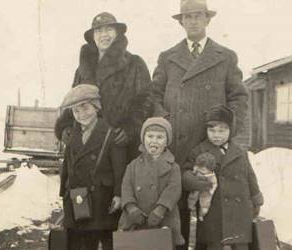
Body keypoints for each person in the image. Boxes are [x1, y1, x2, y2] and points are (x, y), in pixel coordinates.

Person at [151, 0, 248, 244]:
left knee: (211, 223)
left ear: (207, 19)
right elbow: (153, 96)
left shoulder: (225, 57)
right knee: (176, 221)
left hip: (211, 149)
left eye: (197, 16)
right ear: (181, 22)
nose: (192, 21)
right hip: (177, 148)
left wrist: (224, 131)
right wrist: (165, 123)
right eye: (187, 17)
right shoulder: (167, 57)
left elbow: (239, 98)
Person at [55, 12, 153, 163]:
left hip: (117, 143)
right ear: (93, 36)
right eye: (99, 31)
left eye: (109, 30)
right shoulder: (82, 69)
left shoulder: (135, 64)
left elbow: (145, 101)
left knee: (116, 184)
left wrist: (131, 128)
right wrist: (65, 127)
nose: (104, 35)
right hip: (85, 142)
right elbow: (74, 101)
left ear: (117, 33)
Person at [184, 105, 264, 250]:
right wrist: (194, 181)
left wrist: (256, 197)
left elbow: (250, 176)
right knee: (215, 243)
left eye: (222, 130)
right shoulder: (199, 151)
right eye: (212, 130)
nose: (216, 135)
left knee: (240, 244)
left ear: (231, 130)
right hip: (214, 212)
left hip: (240, 211)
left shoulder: (239, 151)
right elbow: (186, 172)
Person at [59, 84, 127, 250]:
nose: (82, 114)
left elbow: (119, 168)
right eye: (76, 111)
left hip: (101, 200)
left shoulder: (111, 134)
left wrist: (118, 194)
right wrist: (64, 191)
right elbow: (67, 165)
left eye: (85, 108)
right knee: (75, 242)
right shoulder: (71, 134)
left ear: (97, 107)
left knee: (102, 241)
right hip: (76, 199)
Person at [118, 117, 185, 250]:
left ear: (167, 141)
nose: (154, 141)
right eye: (150, 136)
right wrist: (131, 208)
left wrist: (160, 210)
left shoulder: (173, 167)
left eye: (160, 137)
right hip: (136, 219)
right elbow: (126, 189)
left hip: (163, 219)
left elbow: (173, 190)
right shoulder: (133, 165)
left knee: (162, 244)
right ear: (143, 139)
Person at [187, 152, 217, 222]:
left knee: (204, 205)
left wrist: (211, 191)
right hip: (197, 188)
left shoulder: (211, 176)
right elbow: (194, 172)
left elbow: (214, 184)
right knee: (192, 198)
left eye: (203, 170)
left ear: (210, 169)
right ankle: (192, 211)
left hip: (206, 192)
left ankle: (201, 215)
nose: (200, 170)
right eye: (199, 168)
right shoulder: (197, 168)